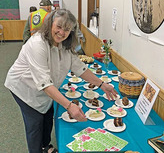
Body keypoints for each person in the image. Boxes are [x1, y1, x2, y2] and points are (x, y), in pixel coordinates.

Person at [4, 9, 117, 153]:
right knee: (35, 122)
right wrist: (69, 106)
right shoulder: (37, 43)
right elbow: (45, 84)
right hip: (24, 88)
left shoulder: (65, 45)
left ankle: (46, 147)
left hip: (45, 88)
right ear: (50, 23)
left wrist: (102, 84)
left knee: (48, 115)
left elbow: (80, 68)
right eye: (58, 27)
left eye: (67, 29)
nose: (62, 33)